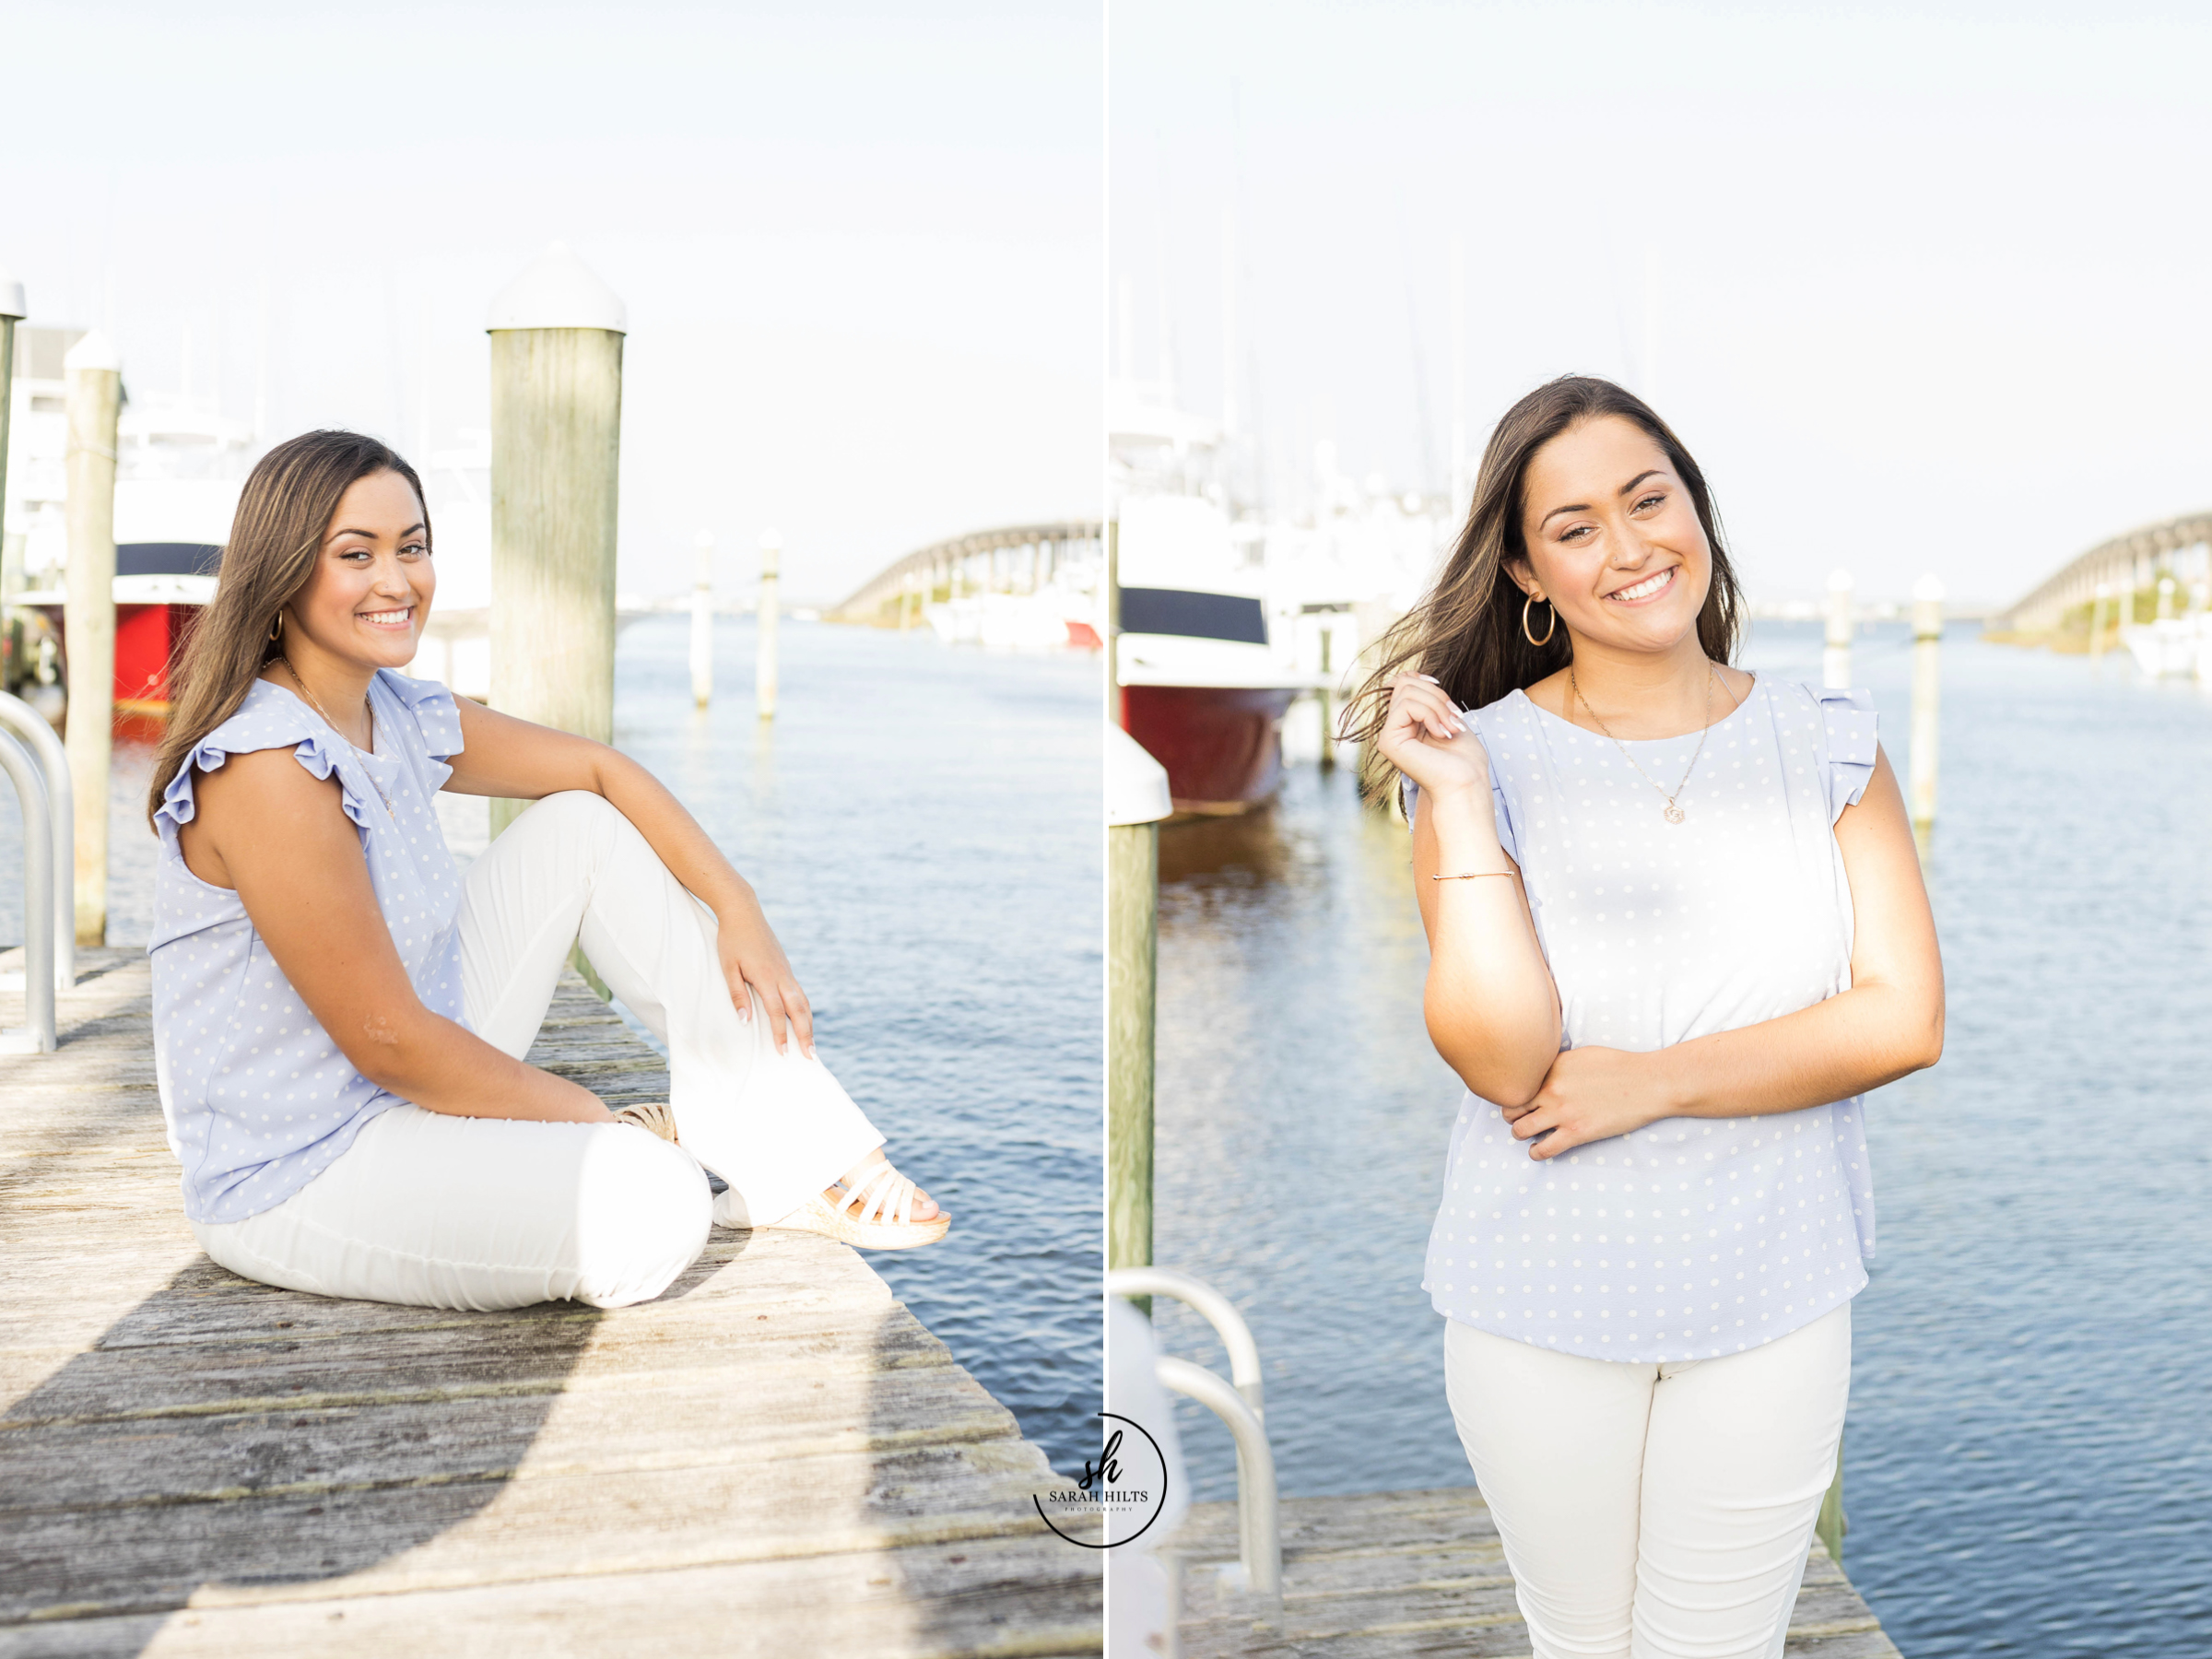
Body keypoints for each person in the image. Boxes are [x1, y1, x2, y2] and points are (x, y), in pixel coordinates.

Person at [1347, 376, 1943, 1658]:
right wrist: (1456, 802)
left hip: (1773, 1297)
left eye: (1647, 500)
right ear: (1526, 572)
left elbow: (1903, 1018)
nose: (1628, 548)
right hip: (1537, 1307)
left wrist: (1653, 1080)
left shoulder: (1828, 740)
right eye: (1575, 528)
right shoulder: (1476, 758)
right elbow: (1505, 1060)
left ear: (1696, 511)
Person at [145, 429, 947, 1313]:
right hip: (301, 1166)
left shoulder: (395, 710)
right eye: (355, 555)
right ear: (286, 571)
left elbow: (601, 769)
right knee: (660, 1207)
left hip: (405, 1068)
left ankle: (794, 1155)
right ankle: (679, 1151)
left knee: (583, 828)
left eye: (412, 548)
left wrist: (737, 904)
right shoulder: (268, 767)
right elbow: (386, 1043)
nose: (396, 580)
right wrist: (588, 1115)